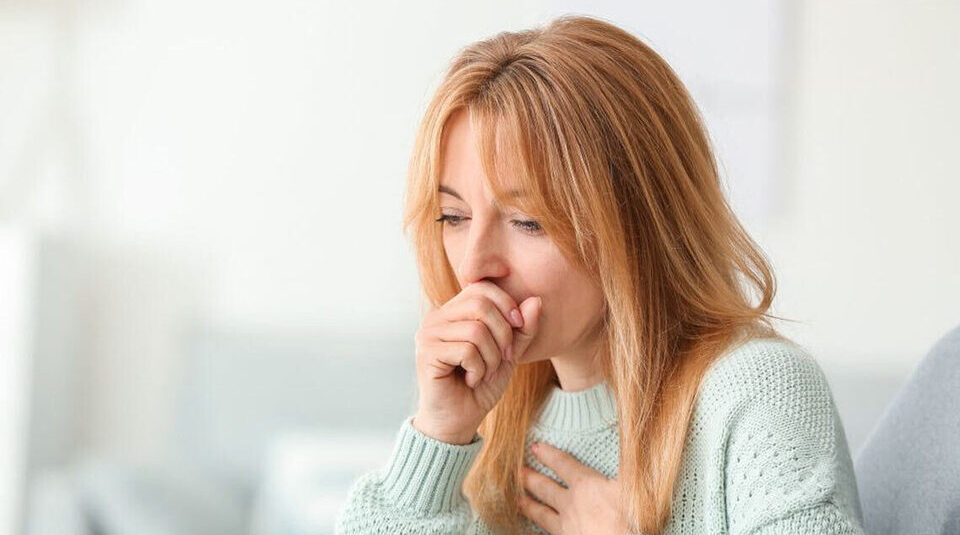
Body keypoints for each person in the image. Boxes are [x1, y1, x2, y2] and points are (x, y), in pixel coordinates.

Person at [335, 14, 864, 535]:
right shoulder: (489, 422)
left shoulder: (758, 392)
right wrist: (437, 437)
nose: (473, 266)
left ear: (638, 222)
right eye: (454, 217)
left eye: (528, 222)